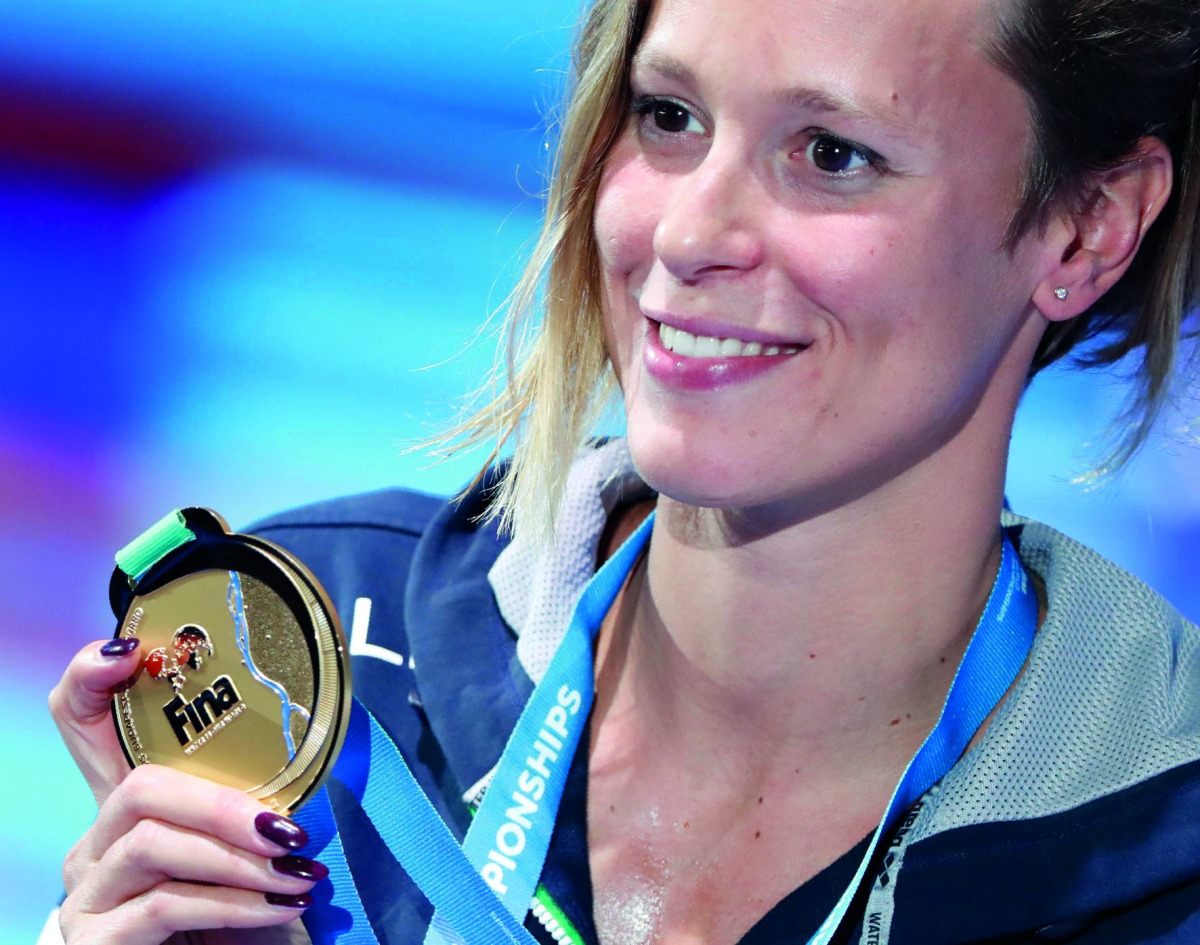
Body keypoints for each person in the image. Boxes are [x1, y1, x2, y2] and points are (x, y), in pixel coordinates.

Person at [48, 0, 1200, 942]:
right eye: (668, 117)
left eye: (833, 154)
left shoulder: (1165, 842)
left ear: (1086, 228)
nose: (690, 234)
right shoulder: (307, 663)